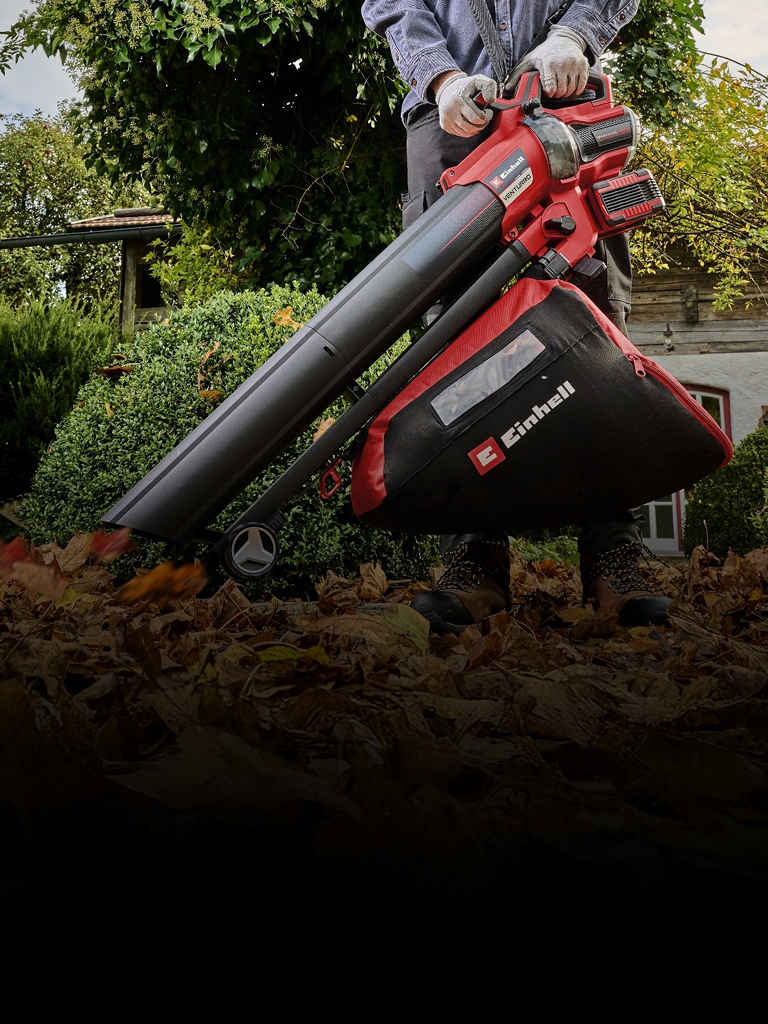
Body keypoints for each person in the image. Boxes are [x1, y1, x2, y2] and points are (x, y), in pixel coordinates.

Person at [360, 0, 672, 635]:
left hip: (564, 96)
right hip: (451, 119)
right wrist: (440, 79)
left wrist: (575, 35)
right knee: (454, 337)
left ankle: (613, 553)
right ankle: (473, 556)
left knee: (591, 326)